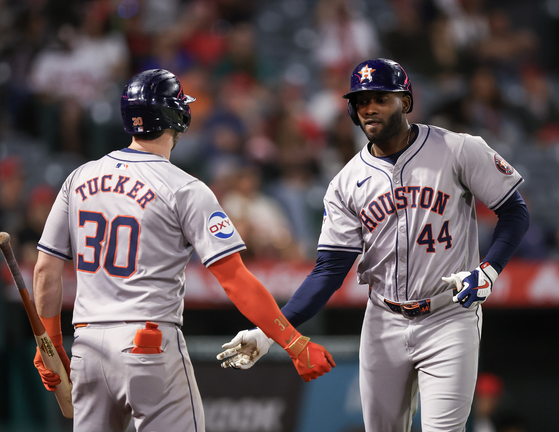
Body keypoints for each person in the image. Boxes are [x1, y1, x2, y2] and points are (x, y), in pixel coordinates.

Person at [217, 58, 530, 432]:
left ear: (405, 102)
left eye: (380, 98)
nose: (369, 108)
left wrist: (488, 271)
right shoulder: (346, 182)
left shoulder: (457, 149)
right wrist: (270, 333)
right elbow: (329, 272)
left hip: (449, 316)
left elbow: (515, 211)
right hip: (384, 319)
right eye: (361, 101)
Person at [31, 69, 335, 432]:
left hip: (87, 346)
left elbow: (45, 271)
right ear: (175, 115)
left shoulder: (79, 177)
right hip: (148, 343)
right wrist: (293, 342)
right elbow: (235, 279)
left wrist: (50, 343)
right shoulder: (184, 187)